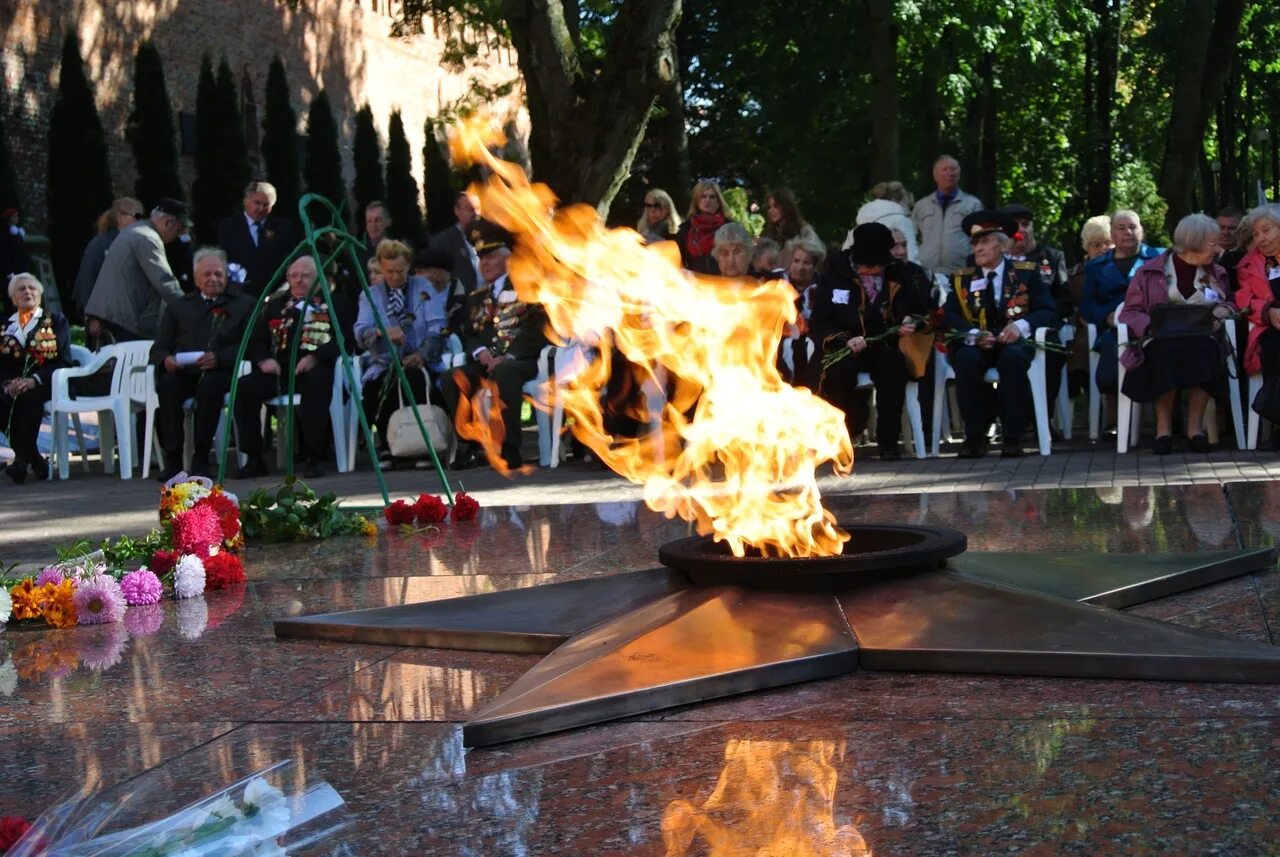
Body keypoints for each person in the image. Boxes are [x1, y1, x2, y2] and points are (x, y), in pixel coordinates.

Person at [810, 223, 932, 460]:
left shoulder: (900, 273)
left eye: (877, 265)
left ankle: (888, 442)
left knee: (893, 365)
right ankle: (841, 441)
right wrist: (844, 340)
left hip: (884, 342)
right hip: (844, 344)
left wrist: (910, 322)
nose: (873, 270)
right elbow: (820, 321)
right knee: (838, 370)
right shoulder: (834, 273)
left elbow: (920, 310)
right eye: (867, 265)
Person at [942, 211, 1057, 458]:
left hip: (1013, 343)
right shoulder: (962, 279)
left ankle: (1013, 437)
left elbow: (1048, 311)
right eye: (975, 243)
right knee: (966, 359)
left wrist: (1021, 327)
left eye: (984, 242)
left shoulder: (1026, 272)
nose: (978, 249)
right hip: (978, 343)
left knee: (1013, 358)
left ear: (1002, 245)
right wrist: (973, 334)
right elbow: (949, 316)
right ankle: (974, 436)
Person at [440, 220, 550, 471]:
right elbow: (469, 333)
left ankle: (508, 448)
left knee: (505, 372)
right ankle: (471, 444)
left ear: (508, 259)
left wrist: (509, 355)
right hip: (488, 363)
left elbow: (539, 329)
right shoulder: (477, 298)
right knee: (452, 376)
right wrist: (480, 352)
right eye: (481, 258)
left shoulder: (528, 289)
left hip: (524, 361)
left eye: (490, 256)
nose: (485, 263)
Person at [1119, 212, 1232, 455]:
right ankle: (1163, 430)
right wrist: (1150, 326)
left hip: (1202, 337)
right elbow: (1130, 312)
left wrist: (1222, 313)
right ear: (1194, 242)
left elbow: (1228, 303)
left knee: (1206, 350)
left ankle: (1195, 430)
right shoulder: (1150, 272)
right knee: (1165, 352)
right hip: (1160, 337)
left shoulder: (1217, 272)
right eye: (1212, 243)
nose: (1217, 248)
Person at [234, 255, 343, 480]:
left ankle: (313, 456)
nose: (299, 280)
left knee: (317, 384)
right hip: (279, 369)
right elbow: (256, 340)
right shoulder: (274, 304)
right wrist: (265, 359)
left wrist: (315, 357)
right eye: (294, 276)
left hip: (314, 366)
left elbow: (343, 340)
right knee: (245, 386)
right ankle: (254, 457)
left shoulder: (333, 303)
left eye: (305, 276)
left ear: (318, 278)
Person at [149, 248, 254, 480]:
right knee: (168, 385)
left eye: (218, 274)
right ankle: (174, 458)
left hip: (223, 371)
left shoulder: (244, 304)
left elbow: (252, 344)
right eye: (206, 274)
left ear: (226, 276)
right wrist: (166, 359)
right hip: (185, 371)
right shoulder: (179, 306)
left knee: (210, 387)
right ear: (196, 279)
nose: (213, 279)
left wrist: (220, 358)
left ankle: (201, 457)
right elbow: (159, 347)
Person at [354, 239, 439, 468]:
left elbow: (437, 326)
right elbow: (360, 332)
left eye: (400, 271)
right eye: (389, 271)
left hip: (419, 360)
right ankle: (388, 445)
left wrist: (422, 354)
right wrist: (382, 332)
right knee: (378, 386)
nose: (394, 277)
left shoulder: (423, 287)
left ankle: (421, 445)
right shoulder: (369, 295)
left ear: (409, 267)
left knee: (413, 379)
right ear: (381, 268)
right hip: (384, 361)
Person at [1079, 210, 1163, 395]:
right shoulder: (1095, 266)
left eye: (1133, 227)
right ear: (1112, 233)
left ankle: (1170, 421)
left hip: (1155, 328)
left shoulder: (1160, 258)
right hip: (1114, 331)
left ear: (1141, 230)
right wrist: (1106, 317)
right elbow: (1087, 306)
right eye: (1122, 228)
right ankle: (1113, 422)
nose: (1128, 232)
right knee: (1108, 378)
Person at [85, 198, 190, 342]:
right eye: (178, 230)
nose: (176, 237)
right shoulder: (147, 238)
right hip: (123, 320)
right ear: (168, 222)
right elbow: (164, 281)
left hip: (112, 317)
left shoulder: (135, 231)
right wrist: (189, 310)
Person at [1, 273, 70, 483]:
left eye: (32, 288)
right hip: (11, 386)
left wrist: (34, 380)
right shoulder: (4, 325)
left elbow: (63, 362)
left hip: (47, 383)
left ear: (40, 295)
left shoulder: (55, 321)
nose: (27, 292)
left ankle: (21, 461)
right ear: (13, 298)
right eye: (21, 289)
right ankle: (35, 460)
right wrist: (7, 383)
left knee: (30, 397)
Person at [1232, 203, 1280, 450]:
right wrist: (1268, 311)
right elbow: (1243, 299)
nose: (1261, 238)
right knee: (1273, 347)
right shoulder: (1250, 264)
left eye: (1266, 230)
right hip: (1271, 326)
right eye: (1256, 234)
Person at [216, 181, 299, 297]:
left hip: (274, 294)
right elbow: (223, 258)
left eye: (266, 205)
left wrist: (281, 290)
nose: (261, 208)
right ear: (246, 201)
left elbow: (290, 259)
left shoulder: (282, 228)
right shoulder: (228, 226)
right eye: (257, 203)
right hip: (239, 294)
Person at [72, 198, 145, 327]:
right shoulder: (100, 245)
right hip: (108, 322)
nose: (140, 221)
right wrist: (92, 318)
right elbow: (88, 280)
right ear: (120, 217)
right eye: (136, 216)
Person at [911, 155, 983, 275]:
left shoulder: (973, 204)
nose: (949, 173)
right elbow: (912, 238)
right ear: (935, 176)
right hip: (927, 271)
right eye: (945, 169)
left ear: (959, 175)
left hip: (962, 271)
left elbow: (980, 238)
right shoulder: (922, 205)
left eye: (953, 169)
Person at [777, 235, 826, 389]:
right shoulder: (778, 283)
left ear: (815, 266)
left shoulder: (823, 287)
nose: (800, 267)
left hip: (813, 342)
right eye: (796, 261)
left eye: (806, 263)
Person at [674, 181, 732, 273]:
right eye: (703, 196)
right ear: (696, 201)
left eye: (712, 197)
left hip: (725, 282)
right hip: (694, 282)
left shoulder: (731, 228)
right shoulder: (686, 230)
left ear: (719, 201)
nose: (707, 200)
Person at [428, 192, 481, 292]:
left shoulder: (489, 237)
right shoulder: (442, 242)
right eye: (470, 209)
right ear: (457, 210)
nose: (476, 213)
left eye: (478, 208)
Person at [0, 208, 33, 307]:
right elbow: (4, 253)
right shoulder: (5, 234)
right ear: (9, 219)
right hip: (12, 271)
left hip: (21, 270)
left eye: (17, 216)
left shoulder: (18, 233)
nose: (17, 218)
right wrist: (9, 271)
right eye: (14, 216)